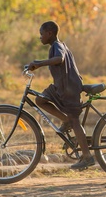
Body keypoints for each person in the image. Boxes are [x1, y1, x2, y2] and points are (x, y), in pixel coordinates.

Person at [27, 21, 94, 170]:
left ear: (49, 33)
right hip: (61, 87)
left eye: (41, 34)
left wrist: (39, 64)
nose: (40, 37)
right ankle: (66, 120)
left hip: (69, 88)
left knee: (75, 120)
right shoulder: (59, 45)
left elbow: (59, 59)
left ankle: (87, 156)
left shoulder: (57, 46)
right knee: (40, 99)